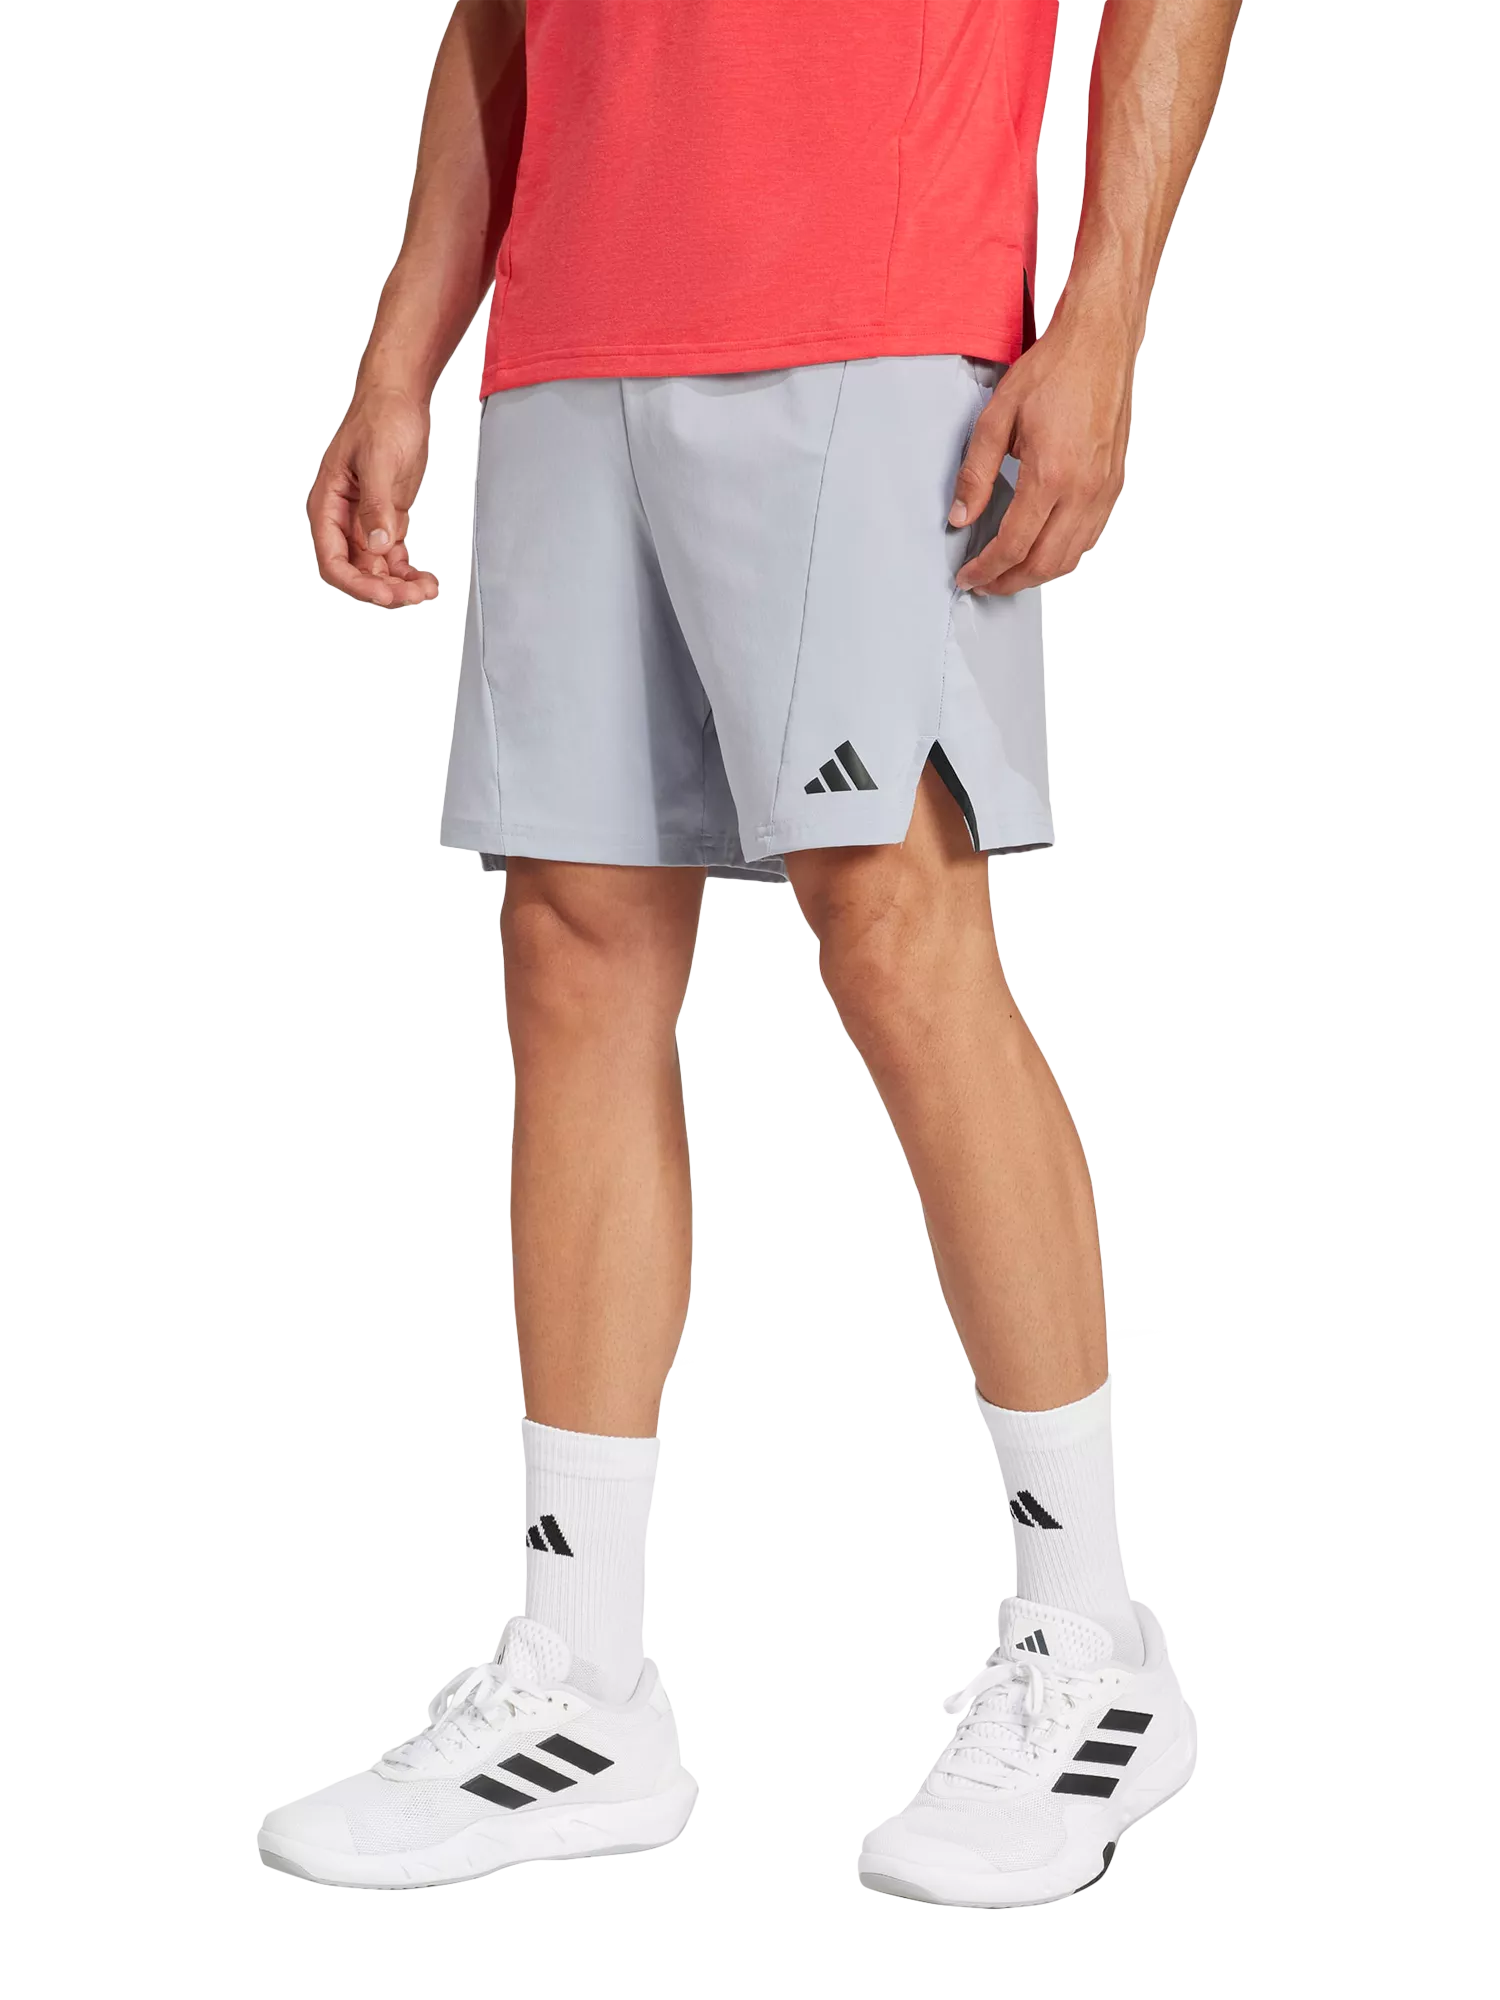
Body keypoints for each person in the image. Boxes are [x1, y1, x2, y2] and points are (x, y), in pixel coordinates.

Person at [259, 0, 1240, 1905]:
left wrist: (1105, 316)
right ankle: (582, 1685)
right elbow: (502, 19)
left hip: (877, 308)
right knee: (571, 946)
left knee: (896, 929)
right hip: (574, 328)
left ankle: (1091, 1644)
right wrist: (402, 351)